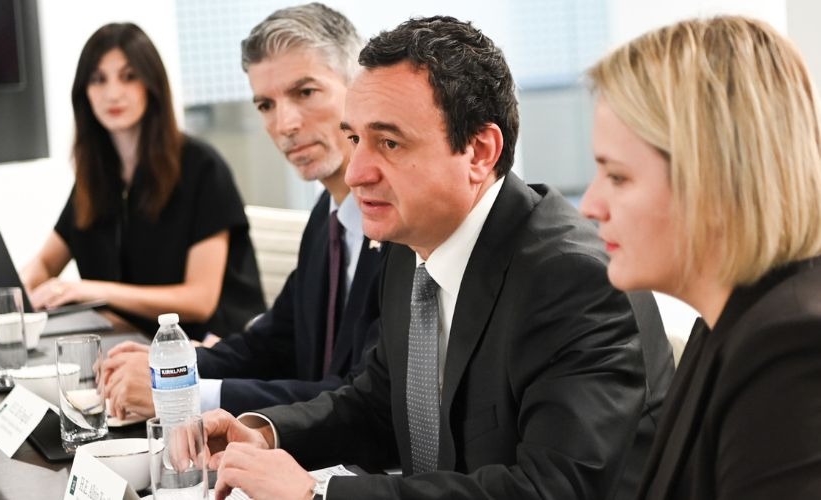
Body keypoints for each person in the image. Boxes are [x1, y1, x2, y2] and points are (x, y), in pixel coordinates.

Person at [203, 16, 660, 500]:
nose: (356, 173)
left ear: (479, 152)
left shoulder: (571, 279)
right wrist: (266, 433)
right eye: (355, 139)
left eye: (389, 143)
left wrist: (317, 496)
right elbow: (379, 402)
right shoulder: (410, 247)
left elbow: (551, 488)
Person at [100, 4, 388, 420]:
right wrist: (172, 365)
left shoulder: (401, 226)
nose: (285, 124)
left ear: (357, 89)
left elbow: (361, 398)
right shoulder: (327, 217)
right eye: (266, 105)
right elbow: (273, 341)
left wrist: (187, 393)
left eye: (305, 93)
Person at [580, 16, 821, 499]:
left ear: (713, 181)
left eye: (618, 177)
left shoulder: (788, 351)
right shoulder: (722, 329)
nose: (589, 205)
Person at [20, 23, 265, 340]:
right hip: (127, 343)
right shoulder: (97, 174)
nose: (112, 93)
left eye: (129, 76)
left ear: (152, 85)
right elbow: (45, 262)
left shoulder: (202, 167)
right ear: (84, 93)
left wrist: (90, 290)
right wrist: (19, 291)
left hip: (205, 350)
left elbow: (200, 301)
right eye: (98, 79)